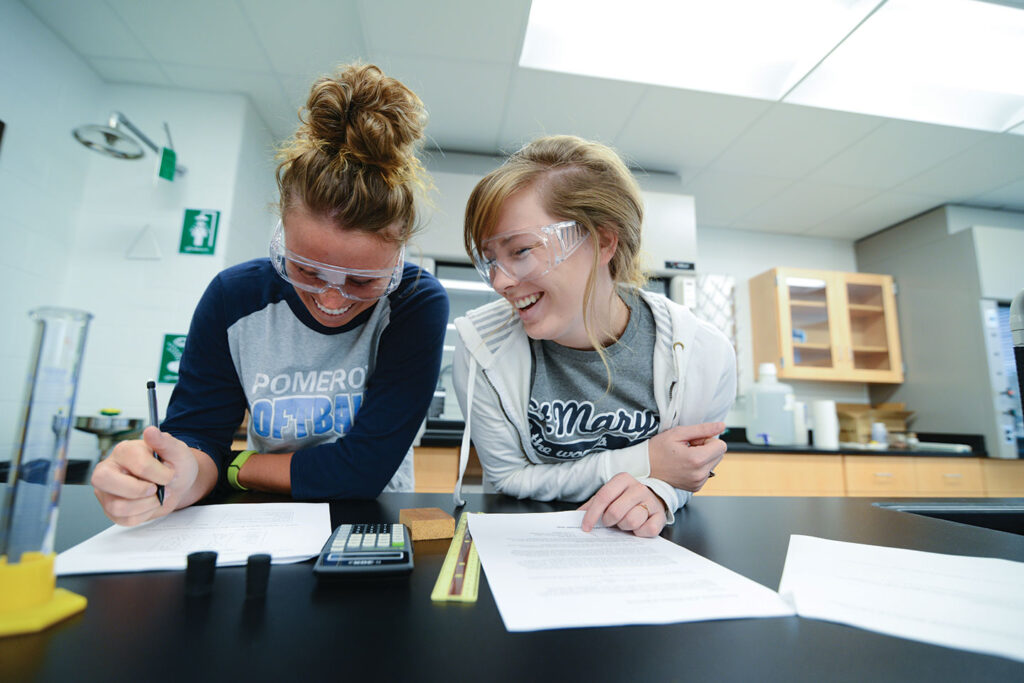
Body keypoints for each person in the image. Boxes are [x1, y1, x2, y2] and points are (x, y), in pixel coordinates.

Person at [92, 64, 449, 526]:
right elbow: (197, 437)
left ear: (398, 259)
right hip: (261, 523)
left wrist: (234, 468)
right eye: (306, 271)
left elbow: (363, 470)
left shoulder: (414, 303)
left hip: (371, 523)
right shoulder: (233, 297)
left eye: (362, 282)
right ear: (281, 238)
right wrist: (178, 475)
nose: (332, 301)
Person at [452, 135, 735, 537]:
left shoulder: (704, 354)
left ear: (602, 241)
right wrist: (645, 461)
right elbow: (507, 479)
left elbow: (685, 471)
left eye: (520, 251)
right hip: (531, 549)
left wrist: (660, 493)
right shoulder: (481, 347)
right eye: (491, 260)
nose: (499, 281)